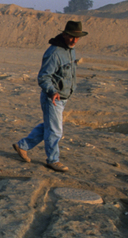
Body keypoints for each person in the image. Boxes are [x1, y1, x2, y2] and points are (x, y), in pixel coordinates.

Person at [12, 20, 87, 172]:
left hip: (64, 96)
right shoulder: (54, 53)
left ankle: (23, 146)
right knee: (55, 130)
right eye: (71, 37)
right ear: (64, 34)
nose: (74, 40)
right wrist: (53, 91)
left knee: (49, 126)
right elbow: (43, 77)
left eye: (77, 37)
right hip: (52, 97)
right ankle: (53, 160)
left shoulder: (70, 50)